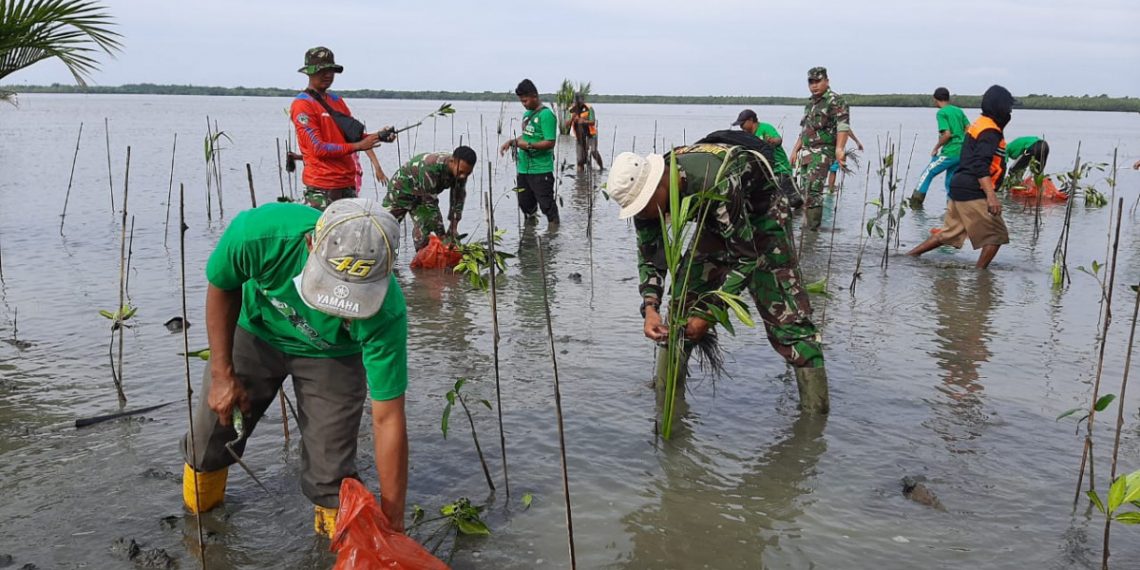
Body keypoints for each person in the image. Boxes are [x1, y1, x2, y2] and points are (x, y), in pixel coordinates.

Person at [180, 198, 409, 539]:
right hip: (255, 331)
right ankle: (200, 529)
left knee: (331, 472)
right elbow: (223, 284)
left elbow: (387, 418)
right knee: (210, 438)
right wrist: (221, 374)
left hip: (332, 356)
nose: (336, 308)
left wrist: (394, 524)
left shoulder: (386, 314)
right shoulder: (260, 235)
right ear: (311, 244)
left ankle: (329, 546)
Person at [605, 137, 830, 414]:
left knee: (788, 321)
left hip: (762, 216)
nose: (645, 215)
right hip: (714, 220)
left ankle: (814, 421)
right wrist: (650, 307)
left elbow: (746, 258)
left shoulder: (716, 181)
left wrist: (709, 315)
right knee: (681, 313)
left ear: (659, 185)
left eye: (646, 207)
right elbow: (651, 257)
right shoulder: (647, 200)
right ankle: (669, 409)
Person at [907, 85, 1015, 269]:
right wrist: (991, 196)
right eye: (1009, 108)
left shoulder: (980, 124)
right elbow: (980, 165)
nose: (1010, 111)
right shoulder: (989, 131)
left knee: (948, 234)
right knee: (996, 236)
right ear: (1001, 108)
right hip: (974, 190)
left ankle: (908, 257)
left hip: (959, 187)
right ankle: (980, 277)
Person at [290, 46, 389, 210]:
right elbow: (318, 148)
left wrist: (379, 136)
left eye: (331, 70)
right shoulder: (302, 105)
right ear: (309, 72)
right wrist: (358, 146)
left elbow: (352, 136)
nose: (328, 75)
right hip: (321, 187)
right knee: (321, 234)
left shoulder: (337, 101)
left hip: (348, 185)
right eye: (322, 70)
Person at [790, 66, 851, 230]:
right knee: (805, 191)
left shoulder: (836, 101)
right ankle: (807, 230)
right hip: (806, 152)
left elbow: (843, 127)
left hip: (823, 151)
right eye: (811, 82)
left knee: (814, 190)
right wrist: (795, 150)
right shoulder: (810, 103)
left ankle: (812, 231)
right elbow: (805, 130)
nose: (814, 85)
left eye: (818, 81)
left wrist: (839, 149)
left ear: (827, 81)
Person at [383, 146, 476, 251]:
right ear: (452, 161)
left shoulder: (461, 173)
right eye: (461, 172)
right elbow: (431, 206)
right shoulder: (431, 168)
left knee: (423, 232)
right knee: (385, 227)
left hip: (422, 198)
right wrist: (443, 237)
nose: (463, 176)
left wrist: (453, 227)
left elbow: (458, 198)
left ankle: (422, 259)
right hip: (401, 191)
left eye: (468, 173)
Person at [499, 79, 559, 227]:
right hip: (524, 168)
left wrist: (529, 145)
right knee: (525, 204)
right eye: (521, 101)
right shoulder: (527, 114)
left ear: (534, 96)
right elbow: (526, 136)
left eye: (525, 100)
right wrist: (512, 142)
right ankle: (529, 236)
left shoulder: (546, 115)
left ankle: (553, 233)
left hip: (541, 169)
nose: (524, 104)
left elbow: (550, 142)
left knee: (547, 206)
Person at [909, 87, 971, 208]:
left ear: (936, 99)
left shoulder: (942, 113)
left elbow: (946, 134)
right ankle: (951, 209)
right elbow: (969, 128)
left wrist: (936, 147)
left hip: (950, 151)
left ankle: (915, 205)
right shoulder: (958, 110)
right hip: (962, 152)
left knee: (927, 173)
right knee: (950, 181)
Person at [733, 109, 803, 208]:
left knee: (795, 201)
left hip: (780, 170)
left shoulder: (765, 128)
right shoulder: (747, 135)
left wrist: (772, 141)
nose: (741, 127)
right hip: (765, 173)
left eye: (742, 124)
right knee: (773, 202)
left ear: (751, 120)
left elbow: (778, 140)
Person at [565, 93, 605, 170]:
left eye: (581, 101)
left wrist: (583, 121)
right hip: (579, 137)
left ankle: (601, 167)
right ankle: (581, 179)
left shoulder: (589, 108)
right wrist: (572, 118)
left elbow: (592, 122)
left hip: (591, 135)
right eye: (577, 102)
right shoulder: (571, 110)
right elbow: (566, 124)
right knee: (580, 160)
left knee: (593, 151)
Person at [826, 128, 863, 193]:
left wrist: (857, 141)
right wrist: (857, 141)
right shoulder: (839, 121)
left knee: (832, 169)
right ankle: (830, 189)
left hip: (833, 147)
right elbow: (846, 129)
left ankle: (830, 190)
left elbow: (846, 129)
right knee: (832, 169)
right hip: (831, 147)